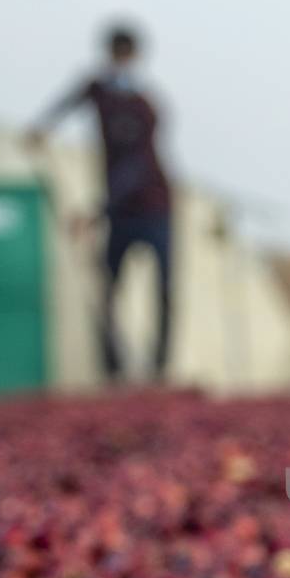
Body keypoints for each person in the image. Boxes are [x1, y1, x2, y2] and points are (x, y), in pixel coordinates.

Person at [29, 22, 174, 383]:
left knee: (164, 291)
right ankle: (114, 370)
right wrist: (42, 127)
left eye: (125, 56)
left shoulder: (146, 107)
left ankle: (158, 369)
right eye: (115, 55)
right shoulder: (99, 90)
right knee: (107, 289)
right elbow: (69, 100)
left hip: (153, 206)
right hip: (119, 213)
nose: (120, 62)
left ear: (136, 57)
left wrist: (96, 210)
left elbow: (137, 167)